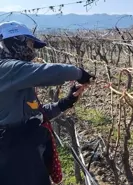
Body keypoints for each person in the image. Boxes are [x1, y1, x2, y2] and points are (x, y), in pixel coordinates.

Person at [0, 21, 95, 185]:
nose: (31, 50)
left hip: (23, 154)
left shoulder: (16, 79)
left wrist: (66, 102)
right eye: (29, 43)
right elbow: (45, 73)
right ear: (12, 43)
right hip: (12, 159)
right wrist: (79, 73)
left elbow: (35, 113)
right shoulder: (6, 69)